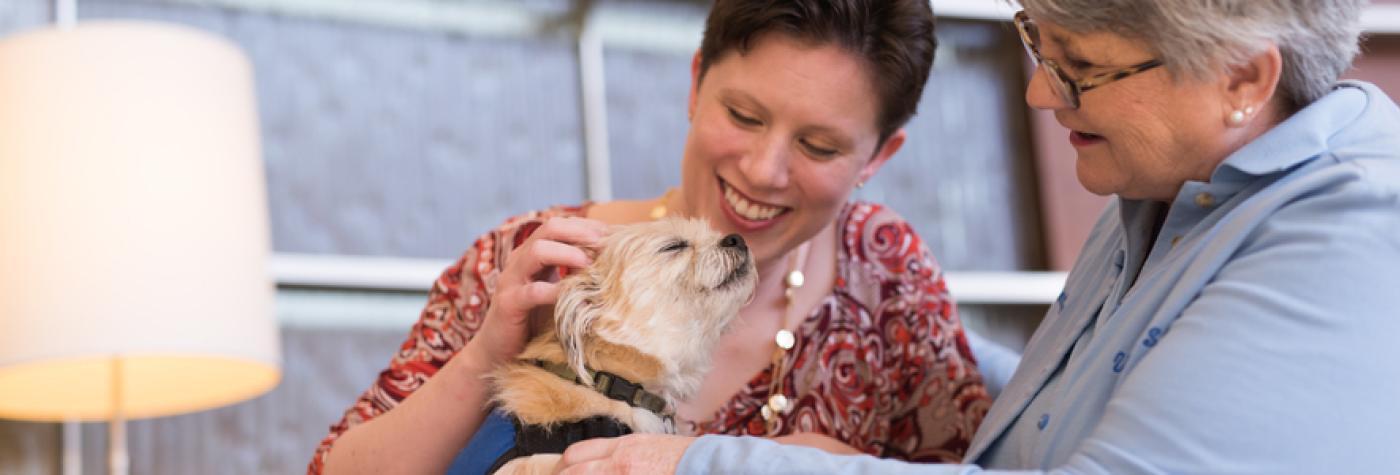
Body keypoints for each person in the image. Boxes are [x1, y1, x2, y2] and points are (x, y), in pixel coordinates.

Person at [552, 0, 1400, 473]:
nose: (1041, 94)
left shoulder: (1350, 239)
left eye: (1082, 67)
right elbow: (1086, 398)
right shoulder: (1169, 190)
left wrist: (699, 465)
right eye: (1038, 44)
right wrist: (905, 321)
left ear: (1242, 78)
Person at [308, 1, 999, 474]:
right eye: (743, 114)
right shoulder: (537, 259)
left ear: (879, 155)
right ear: (696, 83)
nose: (763, 170)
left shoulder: (887, 276)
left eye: (819, 146)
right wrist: (484, 358)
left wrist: (821, 466)